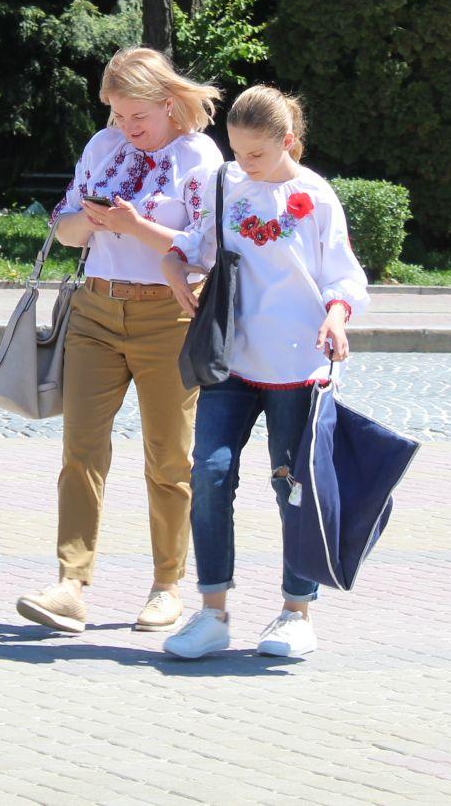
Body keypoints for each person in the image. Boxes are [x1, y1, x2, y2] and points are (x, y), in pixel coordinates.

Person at [14, 47, 224, 637]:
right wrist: (88, 221)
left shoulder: (198, 156)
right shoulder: (101, 148)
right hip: (96, 309)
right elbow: (63, 227)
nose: (128, 128)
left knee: (168, 458)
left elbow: (205, 246)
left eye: (139, 116)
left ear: (169, 103)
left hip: (167, 317)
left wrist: (135, 226)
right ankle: (70, 584)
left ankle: (167, 586)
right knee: (80, 451)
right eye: (118, 115)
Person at [155, 85, 368, 661]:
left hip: (300, 365)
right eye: (236, 151)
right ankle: (213, 612)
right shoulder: (226, 183)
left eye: (256, 154)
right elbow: (199, 245)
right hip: (232, 356)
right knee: (210, 474)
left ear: (287, 142)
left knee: (291, 487)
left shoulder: (317, 196)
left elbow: (344, 276)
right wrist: (175, 266)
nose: (243, 163)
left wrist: (337, 317)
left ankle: (296, 611)